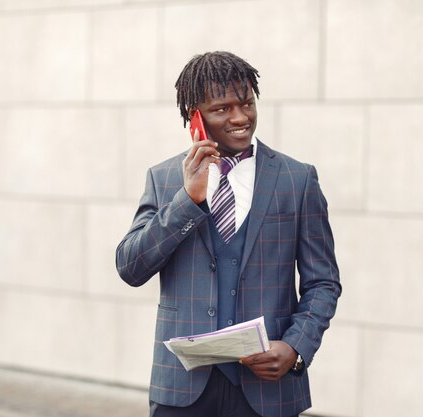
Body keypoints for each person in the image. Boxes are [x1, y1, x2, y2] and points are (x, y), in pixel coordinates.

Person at [116, 51, 341, 417]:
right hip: (182, 390)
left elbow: (324, 282)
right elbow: (131, 267)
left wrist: (296, 348)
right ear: (196, 118)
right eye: (222, 109)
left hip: (268, 388)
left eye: (247, 104)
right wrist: (187, 200)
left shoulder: (297, 179)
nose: (240, 118)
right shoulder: (164, 179)